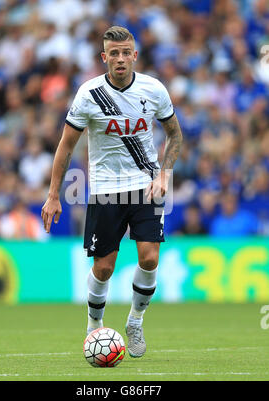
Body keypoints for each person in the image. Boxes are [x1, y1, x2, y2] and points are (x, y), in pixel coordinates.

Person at [41, 26, 183, 358]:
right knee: (104, 267)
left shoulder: (154, 89)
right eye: (113, 54)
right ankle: (94, 326)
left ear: (135, 55)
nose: (120, 59)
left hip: (146, 186)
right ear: (104, 58)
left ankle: (135, 320)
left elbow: (175, 135)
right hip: (105, 190)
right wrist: (53, 194)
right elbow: (65, 147)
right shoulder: (88, 94)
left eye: (125, 52)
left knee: (149, 258)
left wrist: (164, 175)